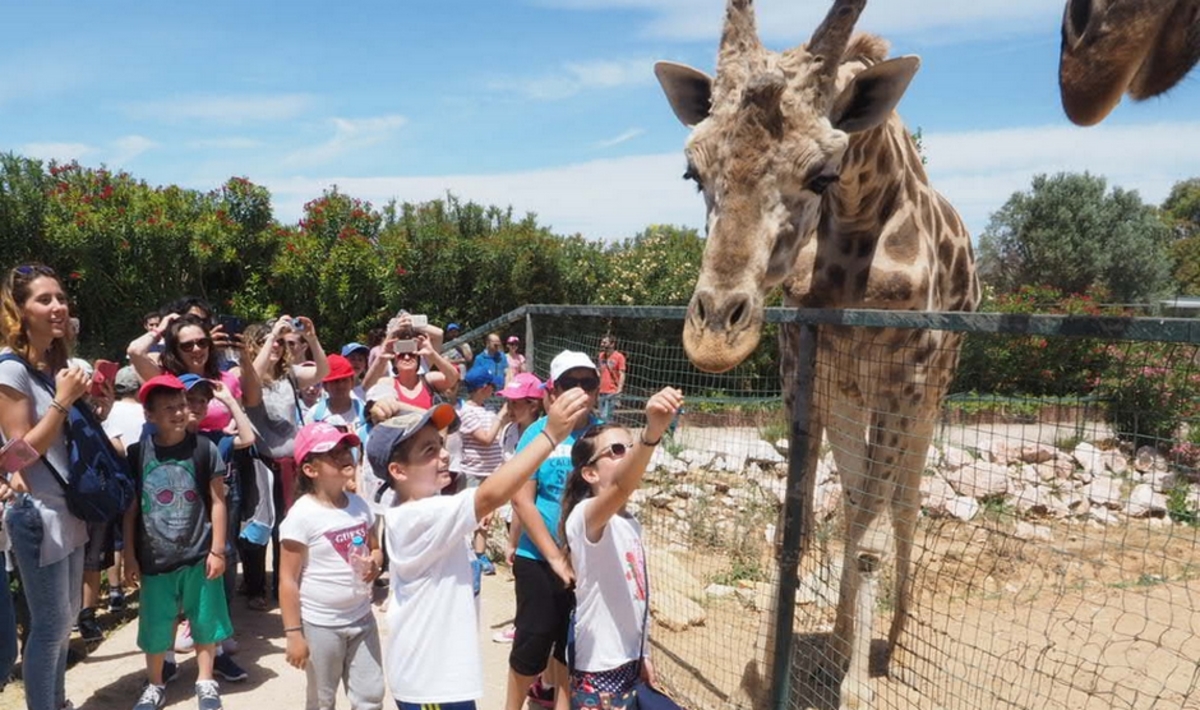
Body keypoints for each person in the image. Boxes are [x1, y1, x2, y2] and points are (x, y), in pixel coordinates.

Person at [369, 388, 589, 710]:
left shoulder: (428, 508)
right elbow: (490, 494)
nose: (443, 455)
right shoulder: (415, 516)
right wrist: (549, 435)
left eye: (441, 445)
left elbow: (452, 419)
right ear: (398, 471)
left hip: (441, 678)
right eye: (428, 450)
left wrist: (396, 406)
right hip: (430, 684)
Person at [0, 263, 90, 710]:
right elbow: (15, 455)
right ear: (20, 311)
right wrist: (62, 401)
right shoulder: (9, 370)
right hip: (36, 513)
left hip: (67, 507)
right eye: (44, 299)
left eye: (60, 297)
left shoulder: (50, 365)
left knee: (66, 620)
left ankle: (57, 702)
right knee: (50, 625)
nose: (57, 307)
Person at [560, 388, 683, 708]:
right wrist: (651, 433)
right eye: (616, 450)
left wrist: (643, 653)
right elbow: (621, 485)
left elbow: (637, 596)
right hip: (600, 668)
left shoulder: (629, 521)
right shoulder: (585, 516)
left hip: (628, 661)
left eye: (629, 447)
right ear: (589, 473)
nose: (627, 455)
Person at [124, 374, 232, 710]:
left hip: (198, 553)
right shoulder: (137, 453)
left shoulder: (204, 449)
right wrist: (129, 555)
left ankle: (205, 680)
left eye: (182, 405)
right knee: (156, 623)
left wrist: (217, 549)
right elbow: (130, 511)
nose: (178, 412)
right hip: (154, 557)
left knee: (205, 619)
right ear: (149, 415)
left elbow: (217, 502)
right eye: (168, 407)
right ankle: (155, 684)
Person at [505, 351, 603, 710]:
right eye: (570, 384)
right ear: (554, 389)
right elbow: (521, 500)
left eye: (588, 383)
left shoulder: (602, 435)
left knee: (569, 648)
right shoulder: (537, 432)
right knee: (531, 646)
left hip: (586, 560)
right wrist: (555, 557)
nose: (580, 391)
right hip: (538, 559)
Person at [279, 422, 385, 710]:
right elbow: (288, 580)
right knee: (322, 700)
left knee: (371, 695)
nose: (343, 455)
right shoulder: (302, 516)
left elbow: (376, 549)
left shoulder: (360, 506)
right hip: (321, 625)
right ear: (310, 470)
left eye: (344, 449)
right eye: (332, 452)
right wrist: (293, 634)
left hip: (362, 618)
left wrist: (374, 564)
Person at [239, 317, 330, 610]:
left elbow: (323, 372)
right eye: (270, 340)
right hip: (261, 463)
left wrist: (312, 339)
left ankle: (283, 585)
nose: (277, 345)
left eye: (280, 341)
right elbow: (251, 382)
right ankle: (254, 586)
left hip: (291, 463)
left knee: (288, 527)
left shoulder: (289, 376)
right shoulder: (249, 379)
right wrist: (272, 337)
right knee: (259, 525)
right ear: (256, 345)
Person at [491, 372, 546, 645]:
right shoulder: (510, 432)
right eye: (508, 403)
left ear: (534, 405)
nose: (509, 409)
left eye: (515, 403)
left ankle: (524, 624)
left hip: (533, 511)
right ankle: (522, 621)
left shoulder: (544, 435)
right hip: (512, 509)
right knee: (520, 570)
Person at [458, 368, 510, 576]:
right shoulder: (468, 413)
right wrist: (501, 416)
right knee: (472, 516)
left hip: (491, 472)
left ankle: (480, 555)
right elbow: (486, 438)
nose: (494, 390)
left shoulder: (486, 409)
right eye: (492, 386)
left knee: (486, 518)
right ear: (483, 388)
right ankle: (467, 555)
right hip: (474, 472)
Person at [597, 336, 626, 423]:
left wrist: (619, 390)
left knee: (607, 416)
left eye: (605, 343)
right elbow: (600, 371)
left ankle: (608, 433)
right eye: (602, 342)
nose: (602, 345)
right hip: (601, 390)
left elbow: (622, 374)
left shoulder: (619, 357)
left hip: (612, 390)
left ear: (612, 344)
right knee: (601, 415)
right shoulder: (601, 356)